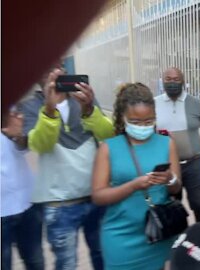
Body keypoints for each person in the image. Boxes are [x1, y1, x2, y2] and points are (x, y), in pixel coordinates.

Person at [18, 68, 115, 270]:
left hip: (95, 196)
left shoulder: (83, 98)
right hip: (59, 205)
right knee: (66, 264)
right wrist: (49, 110)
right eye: (44, 67)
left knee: (103, 257)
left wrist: (89, 110)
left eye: (56, 65)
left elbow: (108, 135)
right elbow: (39, 144)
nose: (51, 72)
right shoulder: (29, 107)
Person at [91, 83, 182, 270]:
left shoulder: (167, 144)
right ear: (122, 117)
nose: (143, 126)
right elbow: (98, 196)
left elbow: (177, 187)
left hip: (158, 234)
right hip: (120, 237)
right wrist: (133, 186)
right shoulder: (108, 148)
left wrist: (169, 179)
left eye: (149, 121)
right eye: (136, 122)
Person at [155, 67, 200, 222]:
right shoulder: (154, 104)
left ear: (183, 81)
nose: (172, 83)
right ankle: (177, 237)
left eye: (176, 79)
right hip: (167, 165)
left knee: (199, 203)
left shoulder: (196, 104)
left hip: (193, 163)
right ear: (162, 82)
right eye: (168, 79)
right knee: (172, 204)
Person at [1, 109, 44, 270]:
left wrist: (17, 135)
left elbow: (26, 146)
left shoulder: (9, 106)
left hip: (27, 204)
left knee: (35, 262)